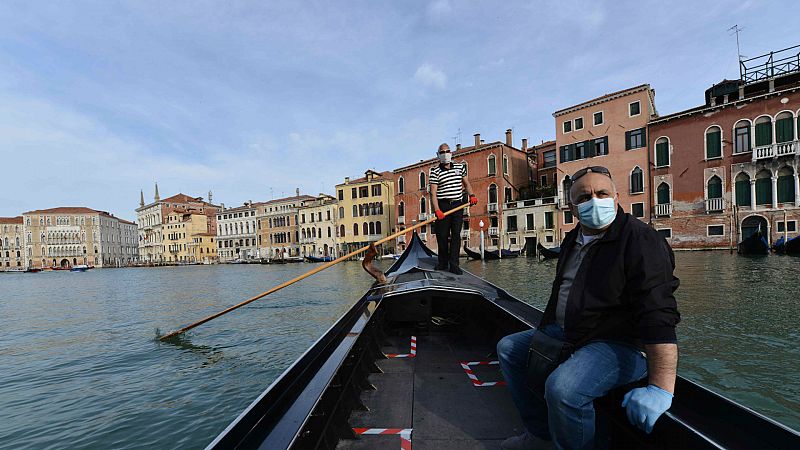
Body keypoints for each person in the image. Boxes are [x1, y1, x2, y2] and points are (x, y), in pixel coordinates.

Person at [497, 166, 680, 450]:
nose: (594, 200)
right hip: (571, 333)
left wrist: (661, 387)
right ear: (572, 208)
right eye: (584, 197)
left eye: (602, 193)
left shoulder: (642, 239)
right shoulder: (573, 239)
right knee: (509, 349)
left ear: (616, 197)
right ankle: (540, 435)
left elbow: (658, 313)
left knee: (563, 389)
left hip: (620, 342)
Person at [430, 143, 477, 275]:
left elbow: (466, 183)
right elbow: (433, 193)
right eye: (442, 152)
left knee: (456, 235)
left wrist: (472, 195)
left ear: (451, 153)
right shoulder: (434, 171)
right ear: (438, 155)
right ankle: (442, 263)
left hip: (458, 205)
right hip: (443, 206)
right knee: (442, 236)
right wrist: (437, 210)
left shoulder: (459, 167)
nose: (445, 154)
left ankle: (454, 265)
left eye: (447, 151)